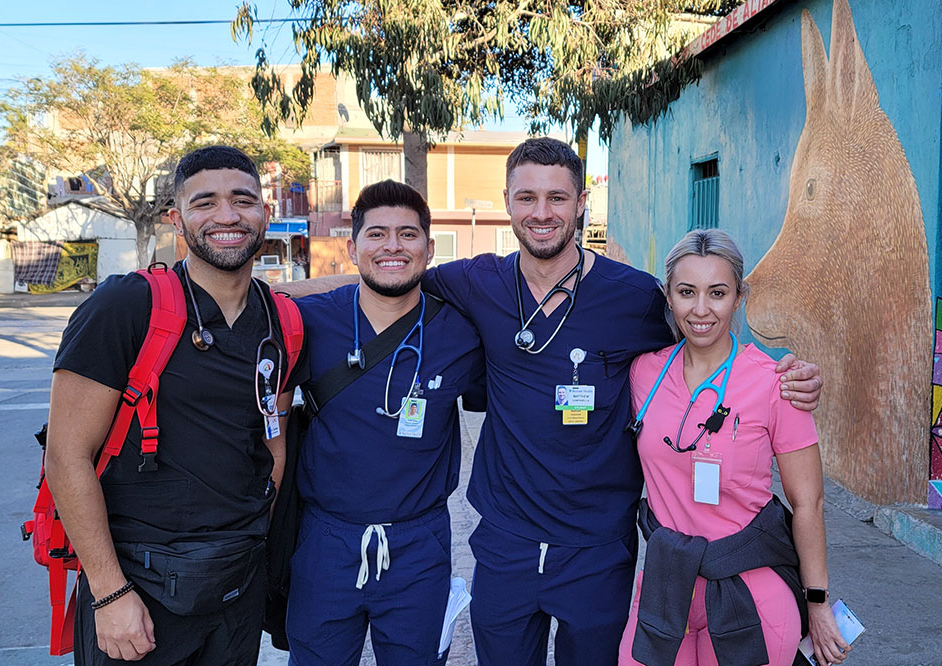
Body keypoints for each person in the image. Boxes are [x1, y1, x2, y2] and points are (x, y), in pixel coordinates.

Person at [283, 137, 823, 666]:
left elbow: (703, 333)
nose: (541, 213)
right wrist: (268, 301)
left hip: (598, 550)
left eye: (557, 198)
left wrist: (779, 374)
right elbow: (386, 280)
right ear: (508, 204)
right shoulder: (476, 282)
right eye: (527, 198)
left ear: (581, 204)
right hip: (504, 544)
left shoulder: (633, 298)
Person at [44, 145, 297, 665]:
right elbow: (66, 457)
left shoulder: (282, 322)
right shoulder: (125, 306)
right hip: (138, 587)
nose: (227, 215)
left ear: (264, 214)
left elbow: (275, 446)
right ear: (177, 219)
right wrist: (110, 594)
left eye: (242, 200)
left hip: (237, 583)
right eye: (205, 202)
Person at [618, 229, 848, 666]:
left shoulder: (777, 383)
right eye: (687, 292)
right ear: (668, 296)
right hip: (666, 586)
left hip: (751, 586)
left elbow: (808, 503)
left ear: (739, 297)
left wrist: (816, 603)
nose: (701, 309)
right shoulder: (642, 375)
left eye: (717, 293)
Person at [282, 180, 485, 665]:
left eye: (407, 234)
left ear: (429, 248)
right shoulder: (308, 322)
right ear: (353, 248)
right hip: (326, 543)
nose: (392, 246)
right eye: (376, 234)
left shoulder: (461, 333)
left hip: (421, 546)